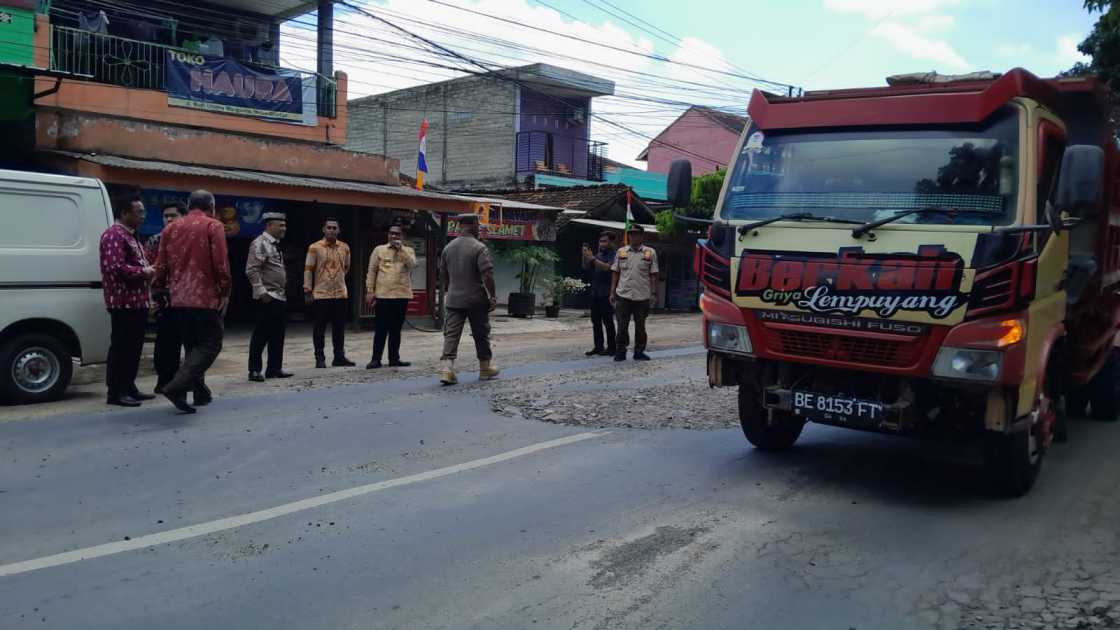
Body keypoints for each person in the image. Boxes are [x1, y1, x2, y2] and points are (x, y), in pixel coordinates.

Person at [154, 190, 232, 414]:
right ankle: (177, 387)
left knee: (192, 347)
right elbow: (221, 264)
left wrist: (159, 289)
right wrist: (225, 291)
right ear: (211, 206)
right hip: (204, 296)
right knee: (210, 344)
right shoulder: (213, 226)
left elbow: (161, 265)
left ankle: (200, 393)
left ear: (188, 206)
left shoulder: (171, 227)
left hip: (178, 298)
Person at [99, 195, 155, 407]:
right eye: (138, 212)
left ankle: (129, 386)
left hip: (137, 302)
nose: (143, 216)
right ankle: (116, 392)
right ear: (124, 213)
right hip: (123, 302)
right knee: (122, 348)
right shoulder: (114, 235)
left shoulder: (130, 236)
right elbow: (116, 267)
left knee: (134, 348)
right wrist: (144, 271)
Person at [438, 213, 498, 385]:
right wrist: (492, 296)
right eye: (478, 225)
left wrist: (453, 288)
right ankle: (485, 369)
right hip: (475, 299)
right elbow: (487, 274)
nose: (479, 229)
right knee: (481, 334)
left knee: (451, 335)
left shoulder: (448, 248)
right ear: (473, 225)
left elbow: (443, 274)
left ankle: (447, 370)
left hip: (454, 299)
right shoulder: (479, 247)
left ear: (460, 226)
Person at [245, 212, 291, 382]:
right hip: (267, 297)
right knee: (261, 335)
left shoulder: (275, 245)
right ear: (269, 226)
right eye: (281, 225)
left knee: (278, 335)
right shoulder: (260, 243)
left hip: (279, 296)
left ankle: (274, 368)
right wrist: (261, 292)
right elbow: (252, 269)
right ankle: (254, 370)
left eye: (284, 225)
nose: (283, 228)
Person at [304, 217, 354, 368]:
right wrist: (308, 289)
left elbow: (346, 267)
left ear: (338, 230)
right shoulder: (315, 247)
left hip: (340, 293)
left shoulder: (345, 247)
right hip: (321, 294)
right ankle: (320, 358)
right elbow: (308, 269)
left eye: (334, 228)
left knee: (339, 328)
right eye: (329, 228)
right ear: (323, 230)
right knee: (319, 328)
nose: (332, 230)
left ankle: (339, 357)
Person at [365, 222, 416, 369]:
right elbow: (372, 271)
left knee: (396, 329)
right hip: (383, 295)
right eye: (391, 233)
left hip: (401, 295)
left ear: (402, 236)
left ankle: (394, 359)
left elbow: (412, 265)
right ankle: (376, 359)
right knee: (381, 329)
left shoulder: (408, 250)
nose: (393, 236)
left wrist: (401, 250)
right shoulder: (379, 250)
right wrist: (370, 291)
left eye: (397, 234)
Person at [147, 201, 183, 394]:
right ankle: (163, 380)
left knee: (186, 340)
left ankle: (182, 380)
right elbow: (148, 271)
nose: (169, 219)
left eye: (173, 215)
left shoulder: (189, 240)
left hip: (186, 297)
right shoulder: (155, 240)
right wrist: (151, 298)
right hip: (163, 299)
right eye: (166, 216)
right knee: (164, 342)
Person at [610, 225, 659, 362]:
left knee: (640, 326)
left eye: (636, 234)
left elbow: (654, 274)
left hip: (642, 296)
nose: (633, 236)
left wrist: (654, 293)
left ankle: (639, 351)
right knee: (621, 326)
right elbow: (615, 272)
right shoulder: (621, 252)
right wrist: (612, 292)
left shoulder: (650, 252)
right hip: (623, 294)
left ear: (642, 236)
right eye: (631, 234)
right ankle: (620, 351)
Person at [581, 231, 618, 357]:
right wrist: (585, 255)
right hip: (595, 292)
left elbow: (608, 268)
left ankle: (612, 347)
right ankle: (598, 346)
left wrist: (593, 259)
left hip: (607, 292)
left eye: (604, 241)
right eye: (600, 241)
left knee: (608, 321)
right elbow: (586, 267)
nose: (601, 244)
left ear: (611, 242)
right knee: (595, 321)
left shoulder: (614, 255)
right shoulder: (598, 254)